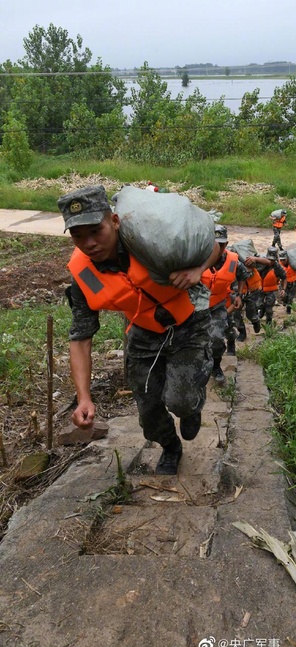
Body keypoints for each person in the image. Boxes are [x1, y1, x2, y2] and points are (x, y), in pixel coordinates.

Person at [58, 184, 221, 477]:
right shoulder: (83, 275)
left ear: (115, 222)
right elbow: (81, 337)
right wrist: (84, 397)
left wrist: (199, 270)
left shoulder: (152, 241)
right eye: (78, 236)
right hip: (144, 335)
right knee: (148, 416)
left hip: (188, 324)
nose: (89, 243)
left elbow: (214, 245)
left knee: (180, 400)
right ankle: (171, 447)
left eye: (96, 231)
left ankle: (191, 407)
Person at [201, 225, 248, 384]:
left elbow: (242, 276)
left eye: (221, 245)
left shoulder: (233, 260)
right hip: (196, 306)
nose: (217, 248)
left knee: (216, 338)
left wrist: (240, 295)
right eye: (213, 244)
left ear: (226, 244)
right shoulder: (197, 258)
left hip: (218, 305)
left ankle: (215, 366)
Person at [246, 246, 286, 325]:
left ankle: (269, 322)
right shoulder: (261, 264)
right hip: (260, 289)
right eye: (269, 259)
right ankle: (259, 315)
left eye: (272, 260)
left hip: (271, 290)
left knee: (269, 307)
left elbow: (284, 277)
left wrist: (283, 289)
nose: (270, 262)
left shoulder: (277, 267)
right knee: (258, 305)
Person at [278, 250, 296, 314]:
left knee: (291, 297)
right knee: (283, 295)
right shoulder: (278, 264)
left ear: (287, 258)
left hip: (293, 281)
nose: (283, 261)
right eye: (281, 260)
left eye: (284, 260)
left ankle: (288, 309)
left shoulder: (293, 263)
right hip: (284, 282)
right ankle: (285, 302)